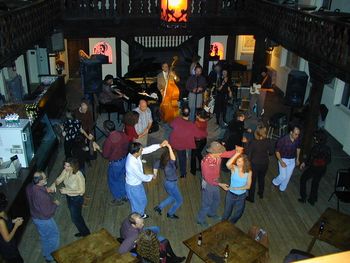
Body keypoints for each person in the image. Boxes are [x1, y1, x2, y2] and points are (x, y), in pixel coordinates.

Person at [197, 142, 238, 227]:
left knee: (216, 200)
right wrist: (220, 184)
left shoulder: (218, 154)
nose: (221, 154)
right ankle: (200, 219)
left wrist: (237, 150)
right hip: (208, 184)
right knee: (206, 203)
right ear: (213, 152)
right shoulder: (206, 162)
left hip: (215, 181)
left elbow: (229, 154)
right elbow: (208, 179)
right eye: (220, 152)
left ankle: (211, 213)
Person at [125, 141, 167, 218]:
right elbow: (142, 177)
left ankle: (140, 214)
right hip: (133, 187)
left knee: (141, 201)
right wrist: (152, 176)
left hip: (136, 185)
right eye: (141, 150)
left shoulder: (134, 154)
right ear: (136, 152)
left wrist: (160, 145)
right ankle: (138, 218)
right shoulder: (131, 164)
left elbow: (148, 149)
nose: (142, 150)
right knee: (137, 204)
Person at [51, 158, 90, 237]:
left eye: (68, 166)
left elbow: (82, 191)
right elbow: (59, 179)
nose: (65, 167)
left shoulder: (79, 175)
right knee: (76, 217)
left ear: (73, 166)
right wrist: (53, 184)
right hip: (69, 198)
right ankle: (83, 232)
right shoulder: (66, 171)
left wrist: (67, 191)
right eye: (65, 165)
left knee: (76, 218)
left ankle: (86, 234)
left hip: (76, 199)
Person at [26, 171, 60, 262]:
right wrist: (55, 204)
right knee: (54, 236)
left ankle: (46, 253)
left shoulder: (29, 187)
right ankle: (51, 257)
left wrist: (46, 190)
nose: (46, 179)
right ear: (40, 181)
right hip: (44, 219)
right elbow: (47, 212)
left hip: (35, 216)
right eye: (45, 178)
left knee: (44, 236)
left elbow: (36, 195)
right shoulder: (41, 196)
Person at [169, 106, 207, 178]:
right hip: (181, 145)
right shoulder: (192, 125)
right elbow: (200, 134)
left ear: (181, 113)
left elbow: (171, 125)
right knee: (182, 158)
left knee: (173, 155)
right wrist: (205, 133)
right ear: (189, 114)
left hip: (173, 142)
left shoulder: (177, 119)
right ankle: (183, 173)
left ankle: (175, 166)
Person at [298, 130, 331, 205]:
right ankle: (312, 199)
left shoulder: (315, 148)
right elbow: (329, 161)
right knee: (315, 183)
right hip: (322, 169)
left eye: (315, 137)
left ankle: (303, 197)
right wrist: (322, 162)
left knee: (303, 179)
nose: (314, 138)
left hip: (314, 168)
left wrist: (304, 163)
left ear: (318, 138)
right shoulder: (328, 149)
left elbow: (310, 159)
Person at [102, 120, 130, 205]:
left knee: (113, 180)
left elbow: (105, 155)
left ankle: (118, 198)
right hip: (125, 159)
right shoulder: (122, 134)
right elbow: (127, 144)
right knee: (121, 177)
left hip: (115, 163)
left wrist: (99, 149)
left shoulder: (109, 140)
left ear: (106, 129)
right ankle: (125, 195)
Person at [153, 143, 183, 219]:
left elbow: (155, 166)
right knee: (179, 201)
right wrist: (169, 146)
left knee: (172, 196)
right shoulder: (170, 163)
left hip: (167, 182)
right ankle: (170, 214)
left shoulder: (161, 161)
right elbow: (173, 159)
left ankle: (159, 207)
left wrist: (155, 174)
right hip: (172, 183)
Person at [221, 151, 252, 224]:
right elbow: (227, 164)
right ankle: (222, 225)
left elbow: (248, 186)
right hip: (231, 195)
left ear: (245, 162)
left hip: (242, 196)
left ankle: (231, 224)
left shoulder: (249, 171)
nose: (238, 163)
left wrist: (237, 188)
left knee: (238, 214)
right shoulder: (234, 168)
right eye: (237, 161)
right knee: (226, 213)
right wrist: (237, 154)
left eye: (240, 161)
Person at [246, 126, 275, 202]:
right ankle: (261, 193)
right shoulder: (268, 141)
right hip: (265, 163)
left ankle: (251, 197)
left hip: (254, 164)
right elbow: (272, 152)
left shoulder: (253, 142)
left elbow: (248, 154)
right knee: (262, 178)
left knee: (253, 181)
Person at [272, 125, 301, 192]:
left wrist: (297, 159)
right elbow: (277, 152)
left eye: (298, 134)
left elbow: (298, 148)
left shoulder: (297, 139)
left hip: (292, 160)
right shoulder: (282, 140)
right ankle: (274, 183)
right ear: (291, 132)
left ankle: (282, 189)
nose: (297, 136)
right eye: (295, 134)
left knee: (287, 177)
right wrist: (281, 161)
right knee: (283, 176)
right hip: (283, 158)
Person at [0, 193, 24, 263]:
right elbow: (7, 239)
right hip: (8, 249)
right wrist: (16, 226)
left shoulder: (2, 212)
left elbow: (7, 222)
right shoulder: (0, 221)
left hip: (12, 244)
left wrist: (14, 220)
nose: (7, 199)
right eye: (5, 199)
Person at [190, 109, 209, 176]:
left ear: (199, 115)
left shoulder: (197, 123)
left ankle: (193, 171)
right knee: (198, 153)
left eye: (196, 114)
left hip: (197, 142)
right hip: (204, 140)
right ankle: (202, 167)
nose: (195, 115)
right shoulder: (205, 120)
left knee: (193, 156)